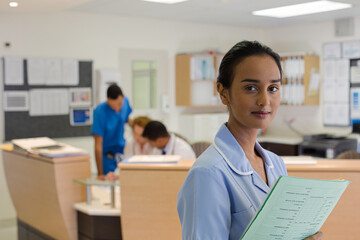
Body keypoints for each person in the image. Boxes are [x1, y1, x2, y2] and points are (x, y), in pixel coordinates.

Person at [177, 41, 324, 240]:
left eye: (273, 88)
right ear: (223, 93)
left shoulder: (276, 164)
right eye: (251, 88)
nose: (264, 101)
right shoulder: (208, 173)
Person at [91, 84, 132, 179]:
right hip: (108, 158)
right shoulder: (100, 112)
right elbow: (98, 145)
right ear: (108, 100)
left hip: (123, 154)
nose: (118, 109)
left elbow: (127, 119)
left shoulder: (125, 102)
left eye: (119, 104)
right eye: (115, 106)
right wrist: (100, 173)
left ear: (123, 97)